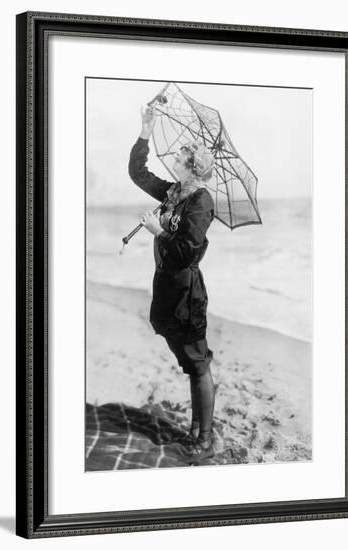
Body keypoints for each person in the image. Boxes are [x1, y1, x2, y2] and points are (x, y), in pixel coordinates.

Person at [128, 105, 216, 464]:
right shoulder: (174, 193)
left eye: (180, 156)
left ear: (192, 167)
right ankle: (197, 427)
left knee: (197, 364)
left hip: (186, 292)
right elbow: (138, 173)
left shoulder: (200, 200)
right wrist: (146, 129)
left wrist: (159, 230)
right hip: (168, 289)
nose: (175, 158)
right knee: (187, 361)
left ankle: (205, 438)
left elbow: (188, 251)